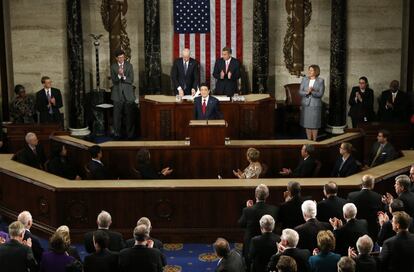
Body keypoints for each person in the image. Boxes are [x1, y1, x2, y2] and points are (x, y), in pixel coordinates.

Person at [238, 184, 278, 268]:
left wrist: (248, 208)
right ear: (267, 195)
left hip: (251, 243)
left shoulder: (247, 210)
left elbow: (241, 224)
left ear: (255, 195)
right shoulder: (274, 209)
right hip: (270, 243)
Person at [347, 175, 384, 241]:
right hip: (372, 230)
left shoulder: (352, 196)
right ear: (372, 185)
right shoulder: (377, 197)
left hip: (356, 229)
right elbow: (380, 213)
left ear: (362, 184)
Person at [110, 49, 136, 140]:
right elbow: (114, 81)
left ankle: (130, 135)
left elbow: (131, 80)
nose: (121, 59)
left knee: (129, 116)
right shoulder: (113, 67)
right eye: (119, 58)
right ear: (116, 58)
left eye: (122, 57)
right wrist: (118, 75)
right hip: (117, 95)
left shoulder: (129, 66)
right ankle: (117, 134)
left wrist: (123, 76)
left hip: (128, 95)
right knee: (116, 117)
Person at [299, 64, 325, 141]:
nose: (309, 71)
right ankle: (309, 140)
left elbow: (320, 94)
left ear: (316, 71)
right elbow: (300, 91)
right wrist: (306, 92)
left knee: (314, 124)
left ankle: (314, 140)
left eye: (311, 70)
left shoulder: (320, 81)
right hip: (306, 104)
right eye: (309, 70)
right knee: (307, 124)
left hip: (315, 105)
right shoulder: (304, 79)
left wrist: (312, 91)